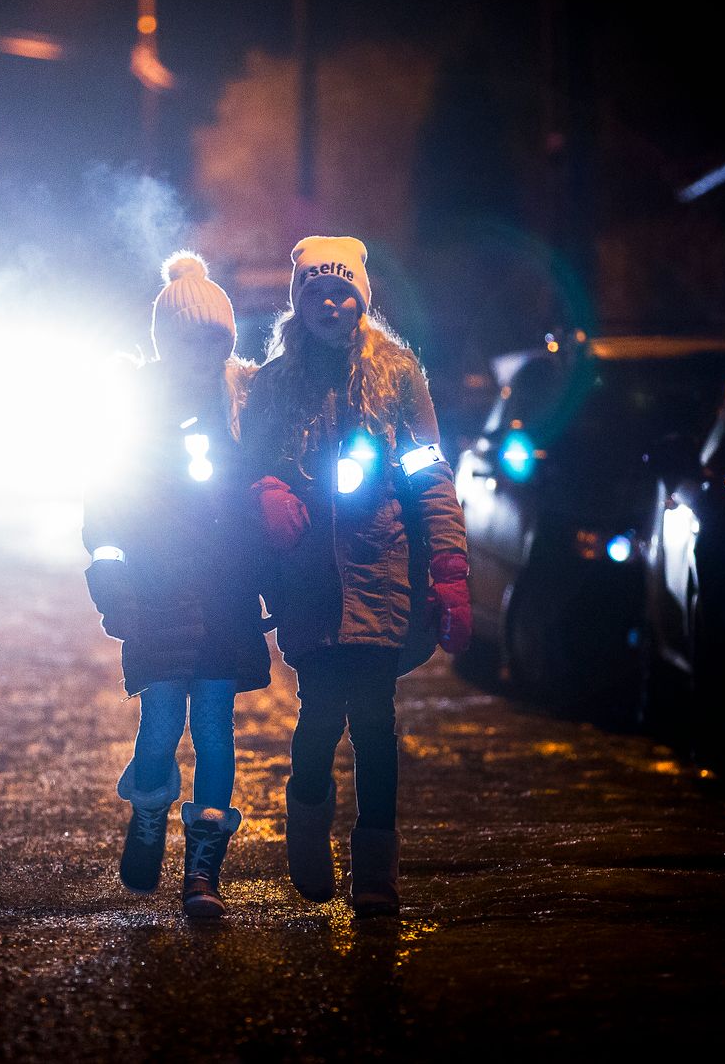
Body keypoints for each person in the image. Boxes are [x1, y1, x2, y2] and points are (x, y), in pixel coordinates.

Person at [240, 235, 472, 916]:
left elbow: (429, 470)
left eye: (343, 292)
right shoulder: (275, 382)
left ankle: (376, 871)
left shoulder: (398, 373)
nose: (331, 304)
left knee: (374, 721)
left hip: (380, 572)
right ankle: (308, 837)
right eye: (317, 292)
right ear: (299, 301)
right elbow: (245, 461)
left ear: (362, 302)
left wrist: (450, 567)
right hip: (308, 580)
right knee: (316, 717)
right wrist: (264, 490)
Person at [82, 251, 270, 919]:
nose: (205, 353)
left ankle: (203, 868)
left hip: (222, 604)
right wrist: (114, 585)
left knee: (216, 730)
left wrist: (272, 574)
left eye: (217, 341)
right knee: (161, 723)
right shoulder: (134, 414)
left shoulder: (240, 405)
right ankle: (149, 813)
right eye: (194, 340)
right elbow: (104, 511)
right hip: (158, 601)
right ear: (167, 341)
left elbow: (257, 505)